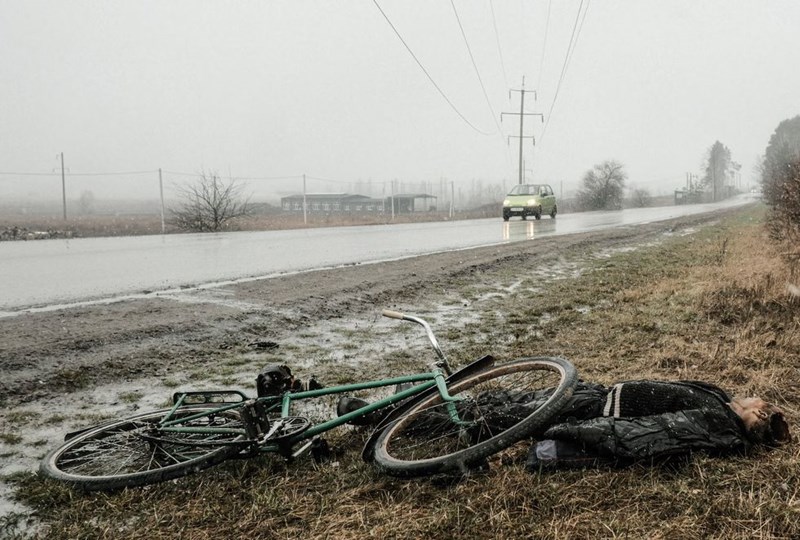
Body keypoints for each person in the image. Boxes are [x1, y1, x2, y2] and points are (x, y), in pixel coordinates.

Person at [513, 379, 791, 471]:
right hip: (601, 394)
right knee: (522, 400)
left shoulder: (719, 422)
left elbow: (648, 432)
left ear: (759, 413)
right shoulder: (723, 402)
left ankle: (486, 433)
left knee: (521, 415)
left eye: (758, 399)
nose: (752, 395)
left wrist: (569, 431)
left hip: (597, 408)